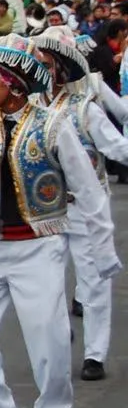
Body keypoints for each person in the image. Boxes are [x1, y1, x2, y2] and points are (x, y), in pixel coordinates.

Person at [0, 44, 115, 408]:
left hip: (39, 245)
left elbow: (88, 190)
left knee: (47, 333)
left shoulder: (53, 125)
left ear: (15, 84)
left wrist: (103, 250)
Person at [28, 28, 128, 381]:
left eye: (46, 64)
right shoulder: (30, 107)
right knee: (44, 280)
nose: (40, 70)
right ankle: (58, 328)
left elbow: (116, 147)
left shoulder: (84, 108)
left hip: (85, 207)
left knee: (94, 278)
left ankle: (95, 354)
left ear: (60, 67)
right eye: (37, 64)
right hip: (45, 211)